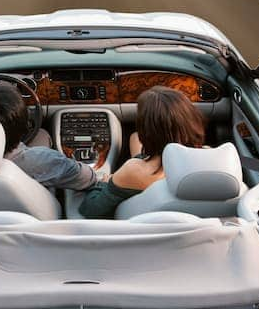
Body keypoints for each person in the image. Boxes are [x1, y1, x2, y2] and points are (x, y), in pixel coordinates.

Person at [79, 86, 205, 218]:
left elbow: (91, 210)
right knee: (134, 137)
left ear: (147, 131)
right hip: (193, 230)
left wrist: (103, 183)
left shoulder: (133, 170)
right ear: (192, 120)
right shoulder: (211, 159)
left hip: (143, 229)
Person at [0, 75, 96, 191]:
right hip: (37, 216)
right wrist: (102, 177)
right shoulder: (42, 160)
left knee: (41, 135)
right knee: (42, 135)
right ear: (24, 123)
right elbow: (87, 177)